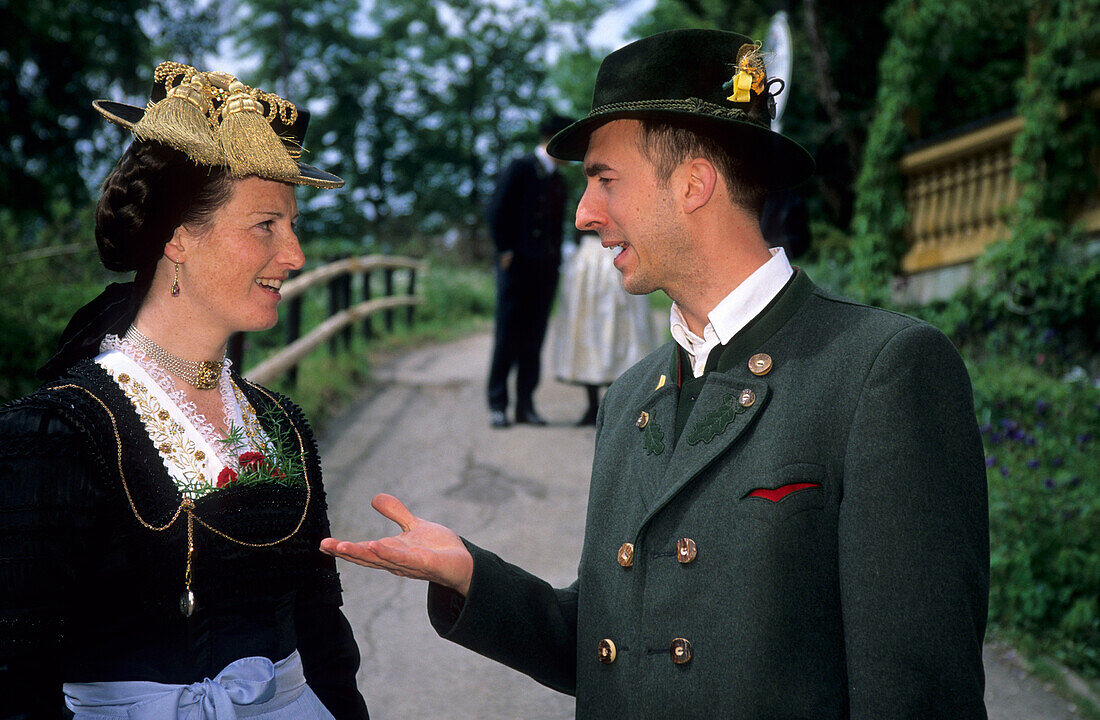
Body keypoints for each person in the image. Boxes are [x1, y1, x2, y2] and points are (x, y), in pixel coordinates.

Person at [322, 28, 989, 718]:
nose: (584, 214)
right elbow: (619, 643)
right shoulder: (632, 395)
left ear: (694, 183)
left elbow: (918, 696)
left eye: (605, 180)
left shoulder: (882, 371)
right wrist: (472, 577)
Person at [0, 62, 369, 719]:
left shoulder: (279, 423)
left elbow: (325, 643)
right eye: (267, 226)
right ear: (178, 237)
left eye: (293, 225)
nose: (296, 255)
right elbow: (14, 676)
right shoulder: (59, 432)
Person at [485, 114, 573, 428]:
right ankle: (498, 404)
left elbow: (557, 229)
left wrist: (557, 261)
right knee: (508, 334)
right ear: (552, 139)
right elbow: (495, 210)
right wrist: (505, 250)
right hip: (517, 265)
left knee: (534, 339)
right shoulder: (520, 167)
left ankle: (526, 405)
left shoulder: (558, 181)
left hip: (545, 269)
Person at [551, 231, 660, 425]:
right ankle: (593, 405)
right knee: (587, 333)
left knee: (617, 333)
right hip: (589, 260)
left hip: (612, 257)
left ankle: (614, 405)